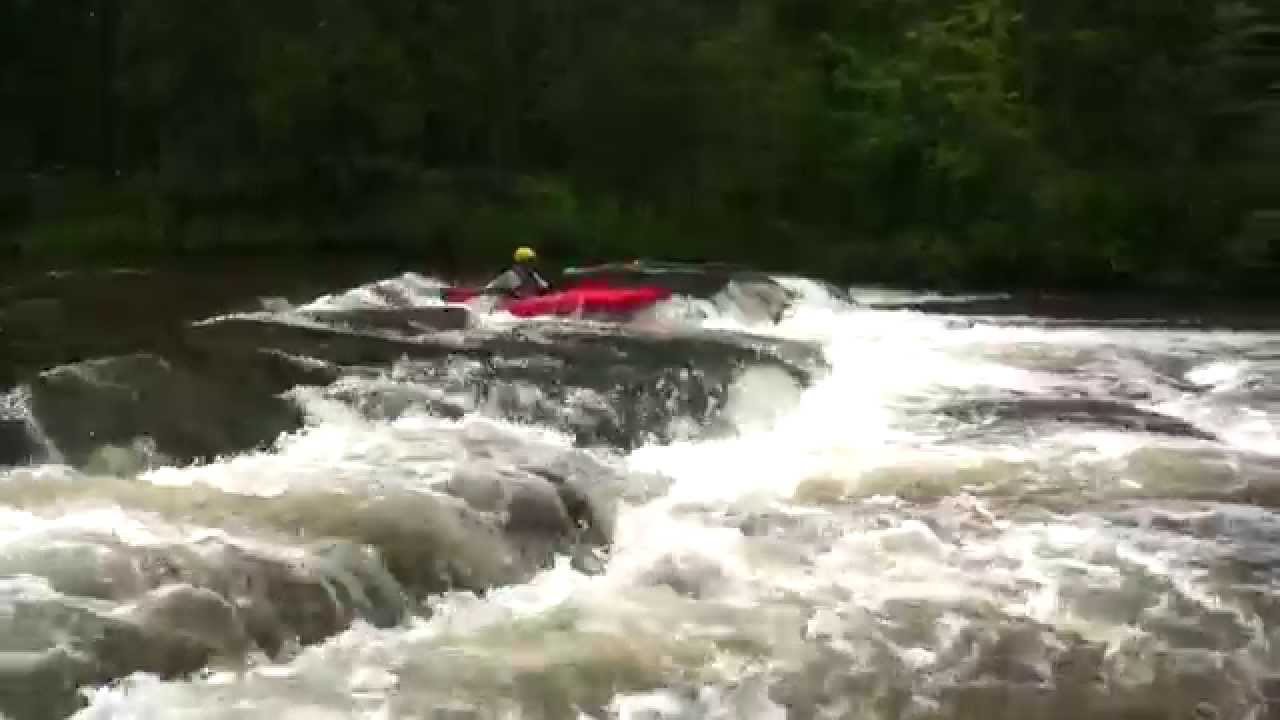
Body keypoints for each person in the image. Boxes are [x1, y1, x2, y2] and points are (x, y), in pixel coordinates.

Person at [483, 246, 551, 298]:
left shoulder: (532, 273)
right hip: (505, 304)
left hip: (526, 302)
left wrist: (547, 289)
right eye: (530, 260)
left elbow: (544, 287)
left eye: (533, 260)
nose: (533, 263)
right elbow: (515, 294)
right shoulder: (511, 274)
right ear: (522, 261)